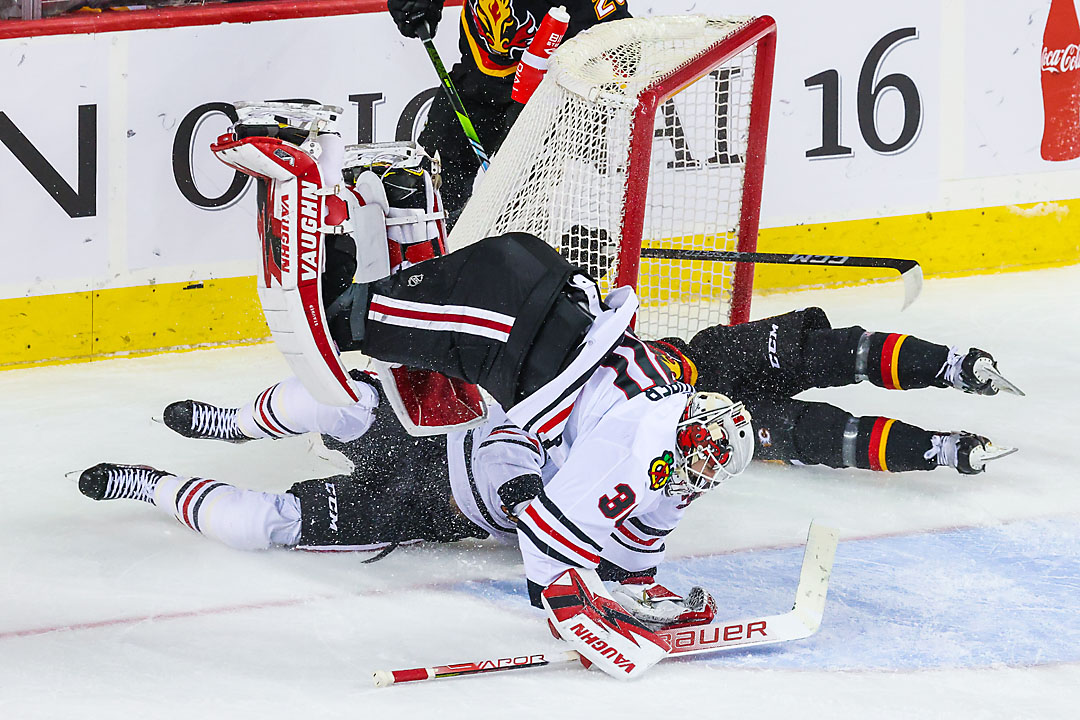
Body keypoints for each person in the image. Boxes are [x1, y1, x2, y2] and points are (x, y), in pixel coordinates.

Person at [386, 0, 631, 225]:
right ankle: (434, 265)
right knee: (428, 189)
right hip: (477, 76)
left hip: (550, 94)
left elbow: (622, 44)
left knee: (519, 212)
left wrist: (557, 104)